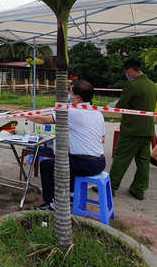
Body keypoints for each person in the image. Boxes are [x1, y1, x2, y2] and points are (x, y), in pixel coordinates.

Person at [26, 80, 106, 211]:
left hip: (86, 164)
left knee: (46, 165)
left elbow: (42, 119)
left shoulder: (72, 111)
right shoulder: (98, 113)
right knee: (68, 158)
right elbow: (102, 139)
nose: (69, 95)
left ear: (77, 98)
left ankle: (50, 204)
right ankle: (71, 195)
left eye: (70, 92)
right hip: (100, 162)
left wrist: (23, 114)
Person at [108, 59, 157, 200]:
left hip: (132, 129)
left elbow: (122, 105)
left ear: (130, 70)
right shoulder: (153, 85)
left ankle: (110, 186)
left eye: (126, 72)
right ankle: (139, 189)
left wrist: (113, 105)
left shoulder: (132, 85)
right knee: (143, 160)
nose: (127, 75)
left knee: (121, 158)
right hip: (148, 128)